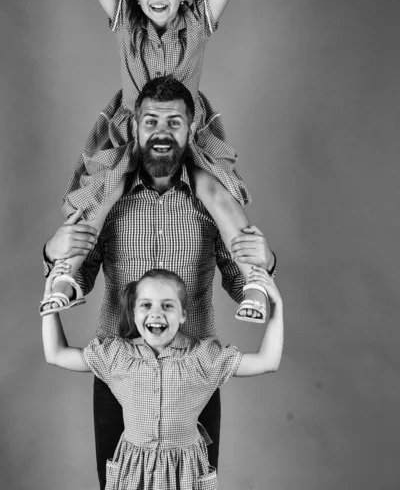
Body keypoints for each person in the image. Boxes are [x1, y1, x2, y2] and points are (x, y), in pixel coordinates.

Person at [17, 0, 302, 322]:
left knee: (215, 193)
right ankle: (67, 273)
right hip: (136, 129)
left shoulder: (197, 24)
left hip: (186, 127)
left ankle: (255, 279)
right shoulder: (126, 24)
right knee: (107, 192)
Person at [41, 76, 277, 489]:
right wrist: (51, 254)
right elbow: (78, 275)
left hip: (196, 375)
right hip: (119, 375)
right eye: (151, 122)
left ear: (190, 129)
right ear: (134, 128)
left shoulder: (211, 200)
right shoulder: (107, 199)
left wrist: (265, 262)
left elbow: (241, 282)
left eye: (174, 123)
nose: (162, 133)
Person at [42, 262, 284, 490]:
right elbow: (56, 354)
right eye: (146, 305)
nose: (156, 313)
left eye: (167, 305)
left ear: (183, 315)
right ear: (134, 313)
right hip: (132, 471)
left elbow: (267, 362)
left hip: (186, 471)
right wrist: (49, 297)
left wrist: (277, 307)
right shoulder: (116, 356)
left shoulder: (203, 358)